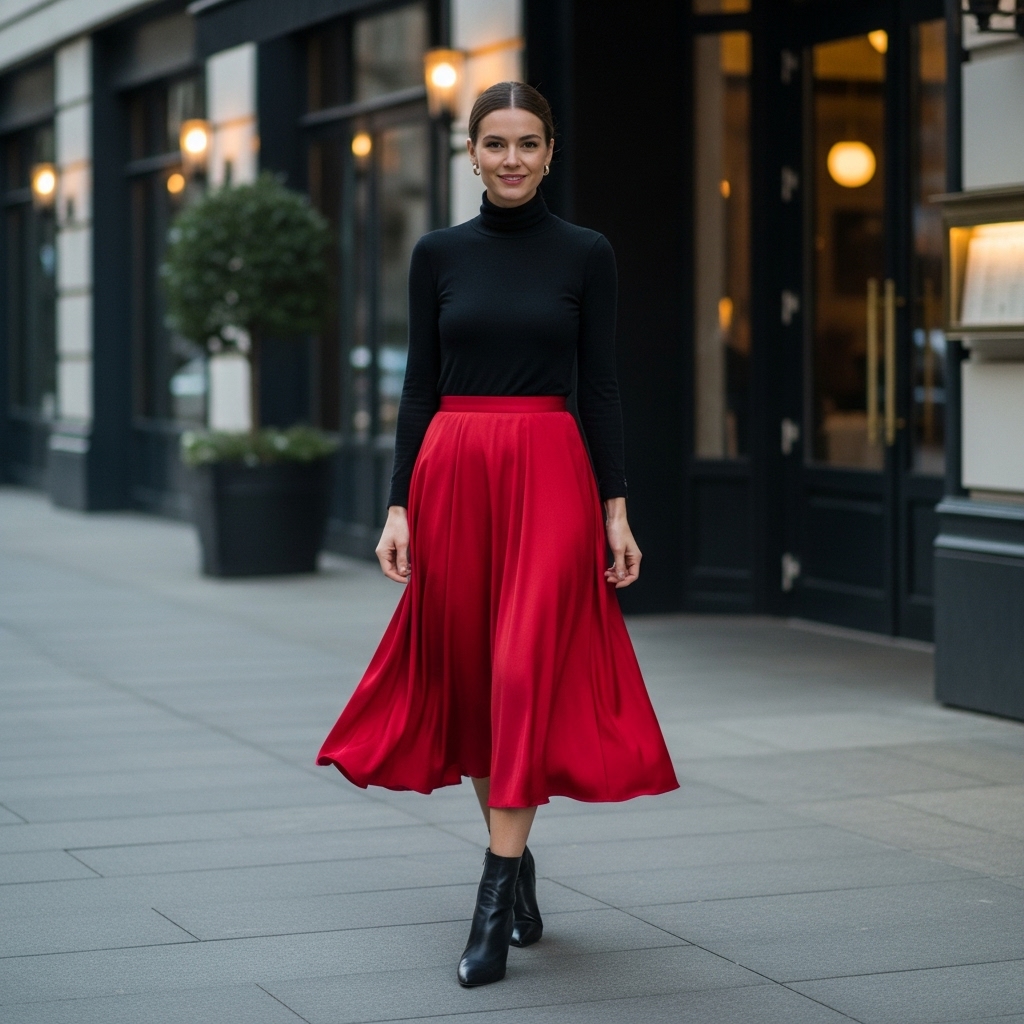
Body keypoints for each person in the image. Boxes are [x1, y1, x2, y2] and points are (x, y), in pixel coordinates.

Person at [317, 81, 678, 988]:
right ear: (469, 153)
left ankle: (488, 900)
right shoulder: (437, 254)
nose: (510, 158)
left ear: (550, 152)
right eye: (494, 143)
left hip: (552, 473)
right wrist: (398, 504)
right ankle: (515, 868)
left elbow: (600, 388)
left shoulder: (587, 253)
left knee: (520, 670)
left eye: (527, 143)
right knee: (479, 680)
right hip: (454, 474)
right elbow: (416, 385)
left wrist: (616, 509)